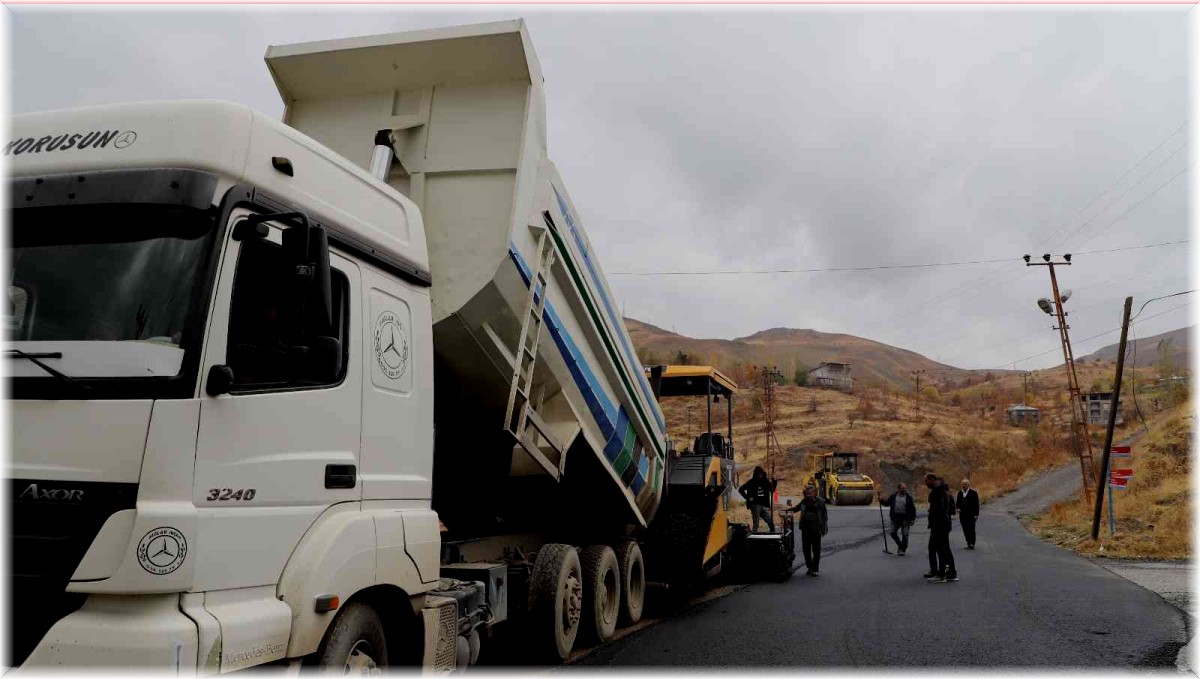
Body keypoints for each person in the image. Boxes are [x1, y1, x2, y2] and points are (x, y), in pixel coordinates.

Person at [922, 472, 958, 583]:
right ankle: (950, 573)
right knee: (943, 549)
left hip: (940, 525)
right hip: (942, 524)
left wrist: (934, 518)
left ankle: (942, 574)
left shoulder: (938, 491)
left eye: (926, 481)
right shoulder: (942, 489)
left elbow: (939, 509)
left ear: (932, 479)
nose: (925, 483)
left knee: (941, 549)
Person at [797, 484, 828, 576]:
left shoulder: (820, 502)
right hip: (805, 529)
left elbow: (824, 516)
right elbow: (796, 508)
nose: (808, 495)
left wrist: (823, 528)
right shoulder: (804, 502)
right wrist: (787, 511)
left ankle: (815, 569)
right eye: (807, 493)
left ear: (814, 493)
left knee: (816, 550)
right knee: (806, 550)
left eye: (810, 493)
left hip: (816, 529)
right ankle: (810, 566)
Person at [879, 482, 916, 555]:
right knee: (892, 533)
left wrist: (912, 519)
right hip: (895, 519)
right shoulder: (893, 496)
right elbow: (887, 503)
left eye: (905, 488)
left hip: (905, 519)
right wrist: (881, 501)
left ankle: (902, 550)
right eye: (903, 488)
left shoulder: (908, 497)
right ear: (899, 489)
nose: (904, 489)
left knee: (905, 534)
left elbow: (913, 509)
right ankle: (901, 545)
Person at [739, 466, 777, 533]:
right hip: (755, 504)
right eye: (759, 474)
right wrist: (748, 498)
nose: (760, 475)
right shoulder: (752, 482)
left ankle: (773, 534)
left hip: (763, 505)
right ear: (756, 474)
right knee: (756, 524)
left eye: (761, 474)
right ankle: (753, 538)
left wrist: (774, 481)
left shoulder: (765, 481)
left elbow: (772, 490)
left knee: (770, 522)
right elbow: (741, 489)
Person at [957, 479, 980, 549]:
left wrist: (976, 514)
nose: (963, 485)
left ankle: (972, 543)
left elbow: (976, 504)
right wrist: (957, 508)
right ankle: (968, 542)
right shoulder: (960, 493)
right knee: (965, 529)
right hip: (962, 515)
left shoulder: (973, 493)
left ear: (968, 485)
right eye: (962, 484)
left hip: (971, 514)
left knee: (971, 529)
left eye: (965, 484)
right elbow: (957, 503)